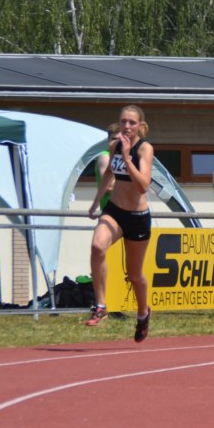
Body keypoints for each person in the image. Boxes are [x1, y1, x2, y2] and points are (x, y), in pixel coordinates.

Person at [87, 105, 154, 342]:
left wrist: (127, 157)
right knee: (97, 247)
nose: (126, 126)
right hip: (114, 211)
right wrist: (96, 202)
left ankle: (143, 314)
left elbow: (143, 185)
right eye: (123, 121)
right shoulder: (114, 145)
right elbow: (108, 174)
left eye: (132, 122)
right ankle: (100, 304)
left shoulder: (144, 149)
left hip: (137, 217)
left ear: (140, 126)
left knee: (134, 275)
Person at [94, 123, 120, 211]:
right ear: (108, 140)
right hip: (111, 211)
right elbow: (110, 187)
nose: (117, 142)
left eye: (120, 139)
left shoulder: (127, 157)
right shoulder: (106, 157)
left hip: (128, 211)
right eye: (114, 139)